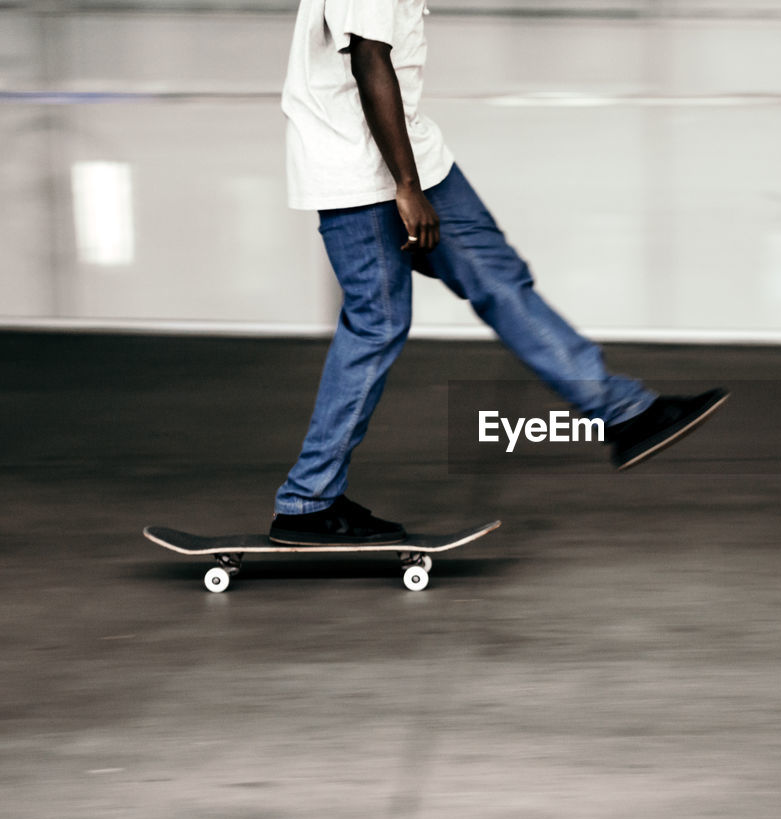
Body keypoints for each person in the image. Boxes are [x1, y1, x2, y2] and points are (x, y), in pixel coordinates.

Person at [268, 0, 728, 545]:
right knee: (377, 322)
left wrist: (415, 177)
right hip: (362, 171)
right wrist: (407, 189)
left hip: (414, 155)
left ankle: (625, 413)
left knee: (498, 278)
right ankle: (307, 502)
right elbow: (369, 58)